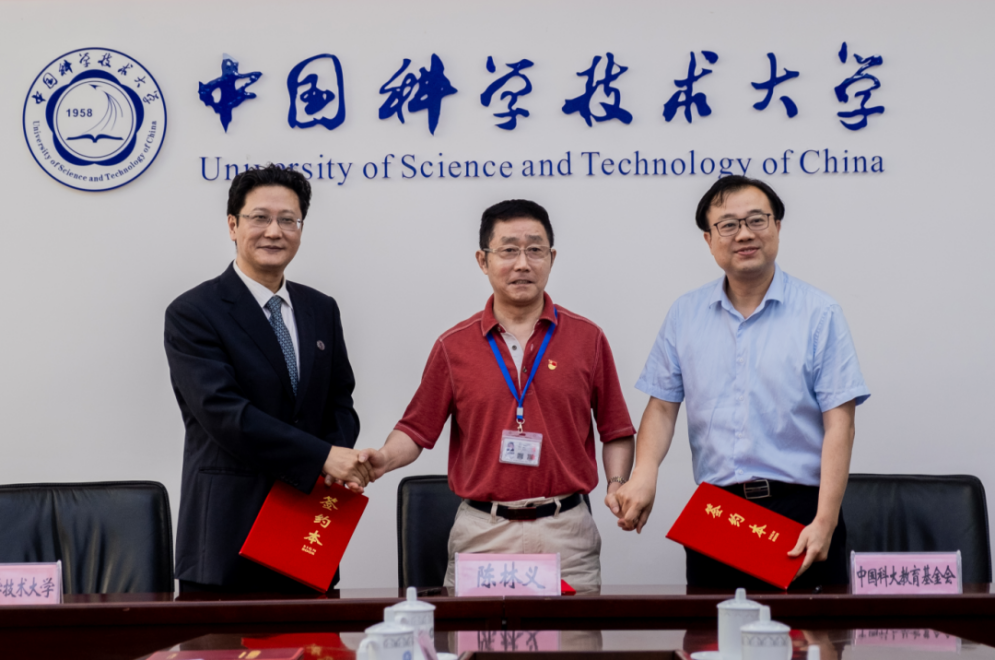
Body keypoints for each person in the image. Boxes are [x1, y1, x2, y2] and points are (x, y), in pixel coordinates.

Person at [360, 199, 636, 587]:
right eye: (508, 250)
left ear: (552, 258)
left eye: (535, 250)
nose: (522, 263)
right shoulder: (453, 346)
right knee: (479, 631)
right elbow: (416, 430)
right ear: (483, 260)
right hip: (482, 533)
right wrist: (383, 458)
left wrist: (618, 484)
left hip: (567, 533)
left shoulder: (587, 338)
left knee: (572, 630)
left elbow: (616, 430)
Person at [617, 176, 870, 589]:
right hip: (717, 514)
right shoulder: (685, 314)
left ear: (777, 227)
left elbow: (840, 424)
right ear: (708, 239)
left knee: (805, 630)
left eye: (757, 220)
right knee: (715, 630)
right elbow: (661, 407)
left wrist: (825, 521)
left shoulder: (819, 313)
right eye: (728, 225)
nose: (745, 234)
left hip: (800, 514)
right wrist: (644, 473)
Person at [164, 164, 372, 593]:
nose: (274, 231)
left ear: (300, 229)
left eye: (288, 220)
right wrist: (321, 457)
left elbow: (340, 401)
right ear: (233, 225)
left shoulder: (321, 308)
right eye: (260, 218)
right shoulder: (194, 312)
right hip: (225, 537)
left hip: (308, 532)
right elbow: (224, 413)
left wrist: (336, 460)